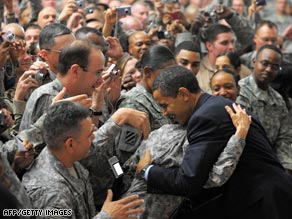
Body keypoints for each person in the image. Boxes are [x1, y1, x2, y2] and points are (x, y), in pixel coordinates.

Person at [136, 65, 292, 219]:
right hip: (268, 196)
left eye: (165, 105)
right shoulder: (216, 107)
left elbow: (188, 180)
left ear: (184, 94)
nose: (164, 113)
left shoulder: (205, 117)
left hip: (263, 203)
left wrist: (147, 170)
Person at [22, 101, 145, 219]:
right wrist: (107, 216)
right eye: (90, 134)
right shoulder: (52, 193)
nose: (93, 138)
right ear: (70, 144)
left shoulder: (65, 157)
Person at [236, 44, 292, 172]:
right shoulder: (240, 91)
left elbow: (284, 138)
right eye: (265, 63)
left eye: (274, 67)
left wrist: (286, 168)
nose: (268, 69)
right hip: (242, 162)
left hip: (270, 163)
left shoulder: (278, 100)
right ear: (254, 62)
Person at [19, 23, 75, 131]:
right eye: (65, 51)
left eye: (76, 48)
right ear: (44, 54)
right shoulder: (36, 83)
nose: (74, 55)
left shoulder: (84, 77)